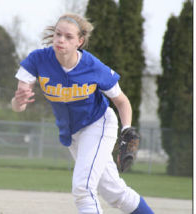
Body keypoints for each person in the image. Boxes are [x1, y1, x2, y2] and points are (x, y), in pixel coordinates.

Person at [11, 13, 154, 214]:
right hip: (73, 134)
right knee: (115, 192)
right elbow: (19, 106)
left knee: (83, 188)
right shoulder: (38, 60)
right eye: (58, 34)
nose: (61, 40)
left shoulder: (93, 66)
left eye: (68, 37)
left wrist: (128, 129)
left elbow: (121, 101)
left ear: (80, 41)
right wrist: (17, 101)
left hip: (99, 124)